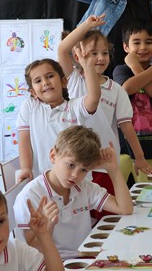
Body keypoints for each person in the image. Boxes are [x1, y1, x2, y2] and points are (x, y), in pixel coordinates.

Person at [58, 14, 152, 187]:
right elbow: (62, 49)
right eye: (93, 53)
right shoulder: (74, 78)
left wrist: (139, 157)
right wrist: (87, 25)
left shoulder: (116, 89)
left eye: (104, 53)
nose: (101, 58)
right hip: (74, 160)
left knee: (105, 202)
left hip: (103, 162)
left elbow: (127, 126)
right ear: (78, 56)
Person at [15, 126, 134, 259]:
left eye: (84, 170)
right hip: (52, 265)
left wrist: (113, 169)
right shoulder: (30, 196)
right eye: (71, 165)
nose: (75, 175)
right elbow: (31, 252)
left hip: (85, 258)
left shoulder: (84, 186)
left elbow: (125, 208)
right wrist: (47, 228)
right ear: (53, 156)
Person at [16, 55, 101, 184]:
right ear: (33, 93)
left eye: (50, 76)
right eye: (38, 81)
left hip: (78, 180)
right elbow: (24, 141)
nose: (45, 82)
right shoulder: (30, 106)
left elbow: (94, 98)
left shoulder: (75, 107)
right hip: (45, 181)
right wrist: (26, 168)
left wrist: (88, 66)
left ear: (64, 82)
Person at [113, 19, 152, 182]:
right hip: (125, 148)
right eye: (136, 42)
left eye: (148, 42)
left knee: (151, 191)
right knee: (122, 190)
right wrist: (139, 66)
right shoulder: (121, 69)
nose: (143, 47)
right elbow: (127, 89)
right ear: (126, 47)